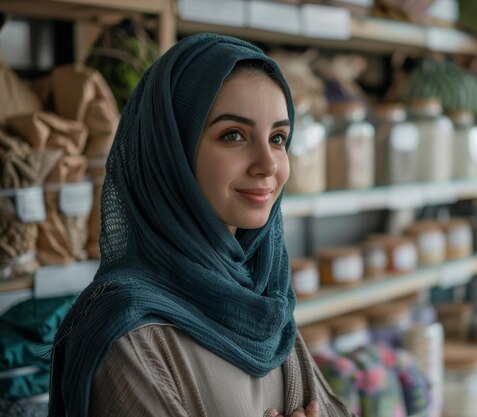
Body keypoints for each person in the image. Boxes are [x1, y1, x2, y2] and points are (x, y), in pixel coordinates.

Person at [47, 33, 353, 417]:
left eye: (278, 138)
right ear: (170, 153)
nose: (268, 164)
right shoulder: (130, 335)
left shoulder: (265, 305)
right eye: (234, 135)